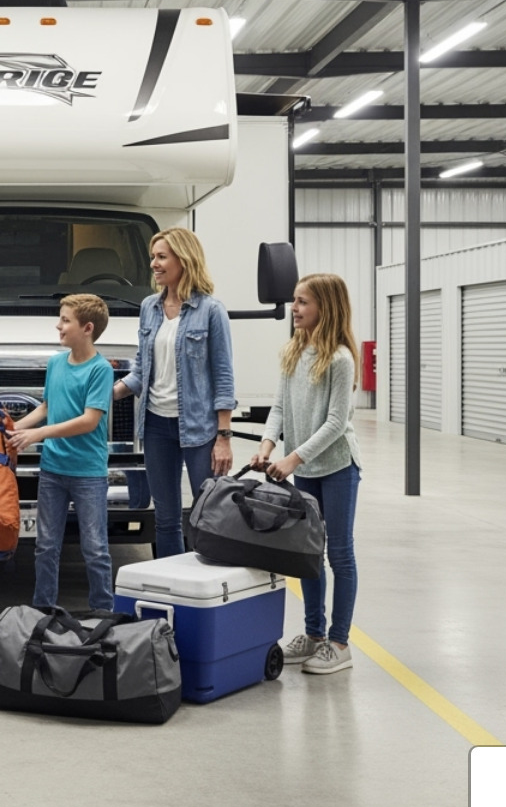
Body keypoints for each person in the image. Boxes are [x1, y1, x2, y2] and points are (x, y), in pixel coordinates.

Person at [251, 273, 363, 675]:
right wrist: (267, 446)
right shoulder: (293, 352)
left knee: (339, 553)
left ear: (325, 308)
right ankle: (314, 635)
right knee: (309, 553)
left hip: (337, 467)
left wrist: (292, 460)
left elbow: (336, 423)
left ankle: (339, 643)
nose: (294, 309)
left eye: (302, 302)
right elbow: (279, 408)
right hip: (305, 467)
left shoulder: (341, 359)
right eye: (294, 300)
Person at [113, 228, 236, 557]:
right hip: (156, 425)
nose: (154, 264)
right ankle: (170, 583)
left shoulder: (211, 311)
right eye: (152, 257)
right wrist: (105, 395)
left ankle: (207, 580)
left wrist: (223, 436)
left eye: (161, 257)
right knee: (166, 519)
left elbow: (223, 377)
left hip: (199, 428)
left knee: (208, 515)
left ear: (184, 259)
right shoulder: (149, 308)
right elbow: (141, 371)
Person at [8, 294, 116, 613]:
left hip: (88, 474)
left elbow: (89, 420)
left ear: (87, 328)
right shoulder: (56, 363)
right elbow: (46, 407)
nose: (59, 326)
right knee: (45, 546)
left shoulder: (100, 370)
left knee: (95, 549)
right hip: (53, 470)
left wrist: (38, 434)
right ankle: (43, 610)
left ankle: (102, 613)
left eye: (66, 320)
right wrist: (12, 428)